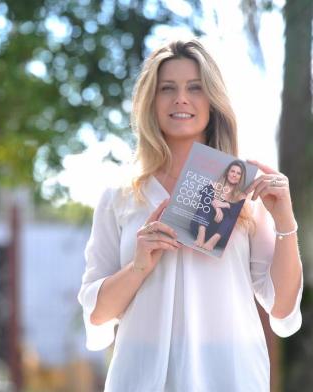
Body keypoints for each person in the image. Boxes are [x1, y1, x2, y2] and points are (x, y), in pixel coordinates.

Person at [78, 39, 303, 391]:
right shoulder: (119, 198)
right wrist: (139, 266)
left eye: (195, 88)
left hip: (229, 373)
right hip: (141, 375)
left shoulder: (241, 188)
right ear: (150, 102)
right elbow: (97, 316)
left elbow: (282, 308)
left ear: (212, 102)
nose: (181, 98)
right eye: (167, 88)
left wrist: (285, 223)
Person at [191, 160, 247, 251]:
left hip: (221, 236)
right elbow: (203, 196)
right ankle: (201, 235)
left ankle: (213, 241)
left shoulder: (241, 196)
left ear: (241, 178)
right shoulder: (214, 185)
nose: (234, 175)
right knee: (206, 201)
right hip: (200, 226)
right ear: (227, 172)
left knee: (234, 213)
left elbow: (237, 211)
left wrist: (225, 204)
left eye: (238, 173)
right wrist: (217, 207)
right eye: (232, 171)